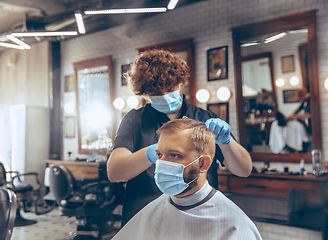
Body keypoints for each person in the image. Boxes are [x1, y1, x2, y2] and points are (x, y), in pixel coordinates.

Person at [107, 49, 252, 226]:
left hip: (198, 218)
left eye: (170, 89)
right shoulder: (134, 120)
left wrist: (227, 142)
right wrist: (155, 152)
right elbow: (114, 172)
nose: (165, 97)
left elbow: (244, 170)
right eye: (156, 93)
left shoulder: (205, 120)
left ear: (181, 81)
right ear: (145, 93)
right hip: (145, 220)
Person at [112, 119, 262, 240]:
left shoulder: (234, 225)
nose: (162, 163)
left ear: (203, 163)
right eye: (159, 155)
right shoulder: (152, 211)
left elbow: (244, 169)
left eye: (174, 155)